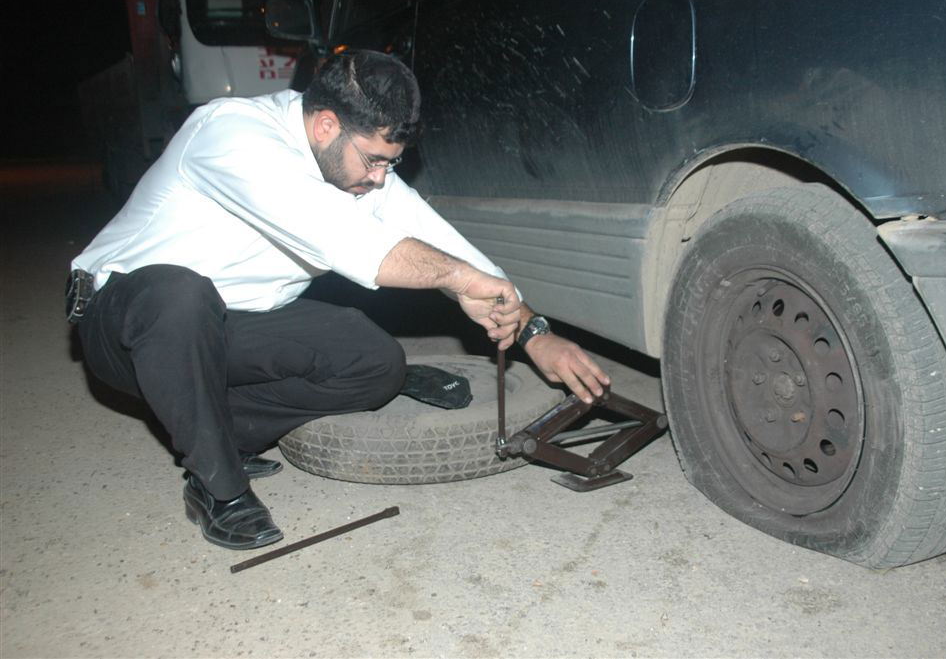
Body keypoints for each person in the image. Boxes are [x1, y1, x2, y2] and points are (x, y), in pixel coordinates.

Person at [69, 50, 610, 551]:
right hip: (130, 321)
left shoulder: (358, 167)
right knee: (180, 291)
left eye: (391, 165)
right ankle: (217, 485)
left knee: (375, 362)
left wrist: (536, 332)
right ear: (326, 124)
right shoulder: (231, 135)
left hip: (235, 327)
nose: (380, 179)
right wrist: (458, 280)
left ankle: (214, 432)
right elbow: (354, 245)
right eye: (374, 161)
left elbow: (442, 241)